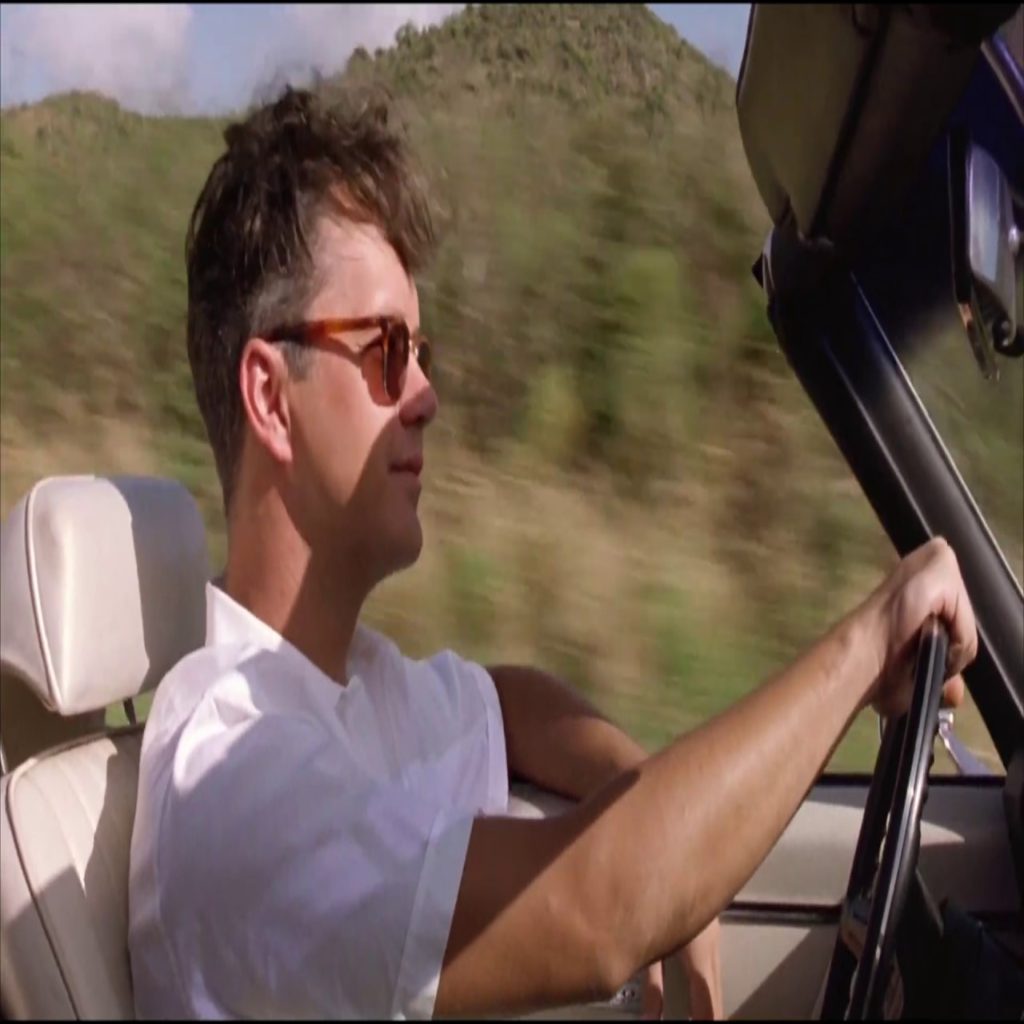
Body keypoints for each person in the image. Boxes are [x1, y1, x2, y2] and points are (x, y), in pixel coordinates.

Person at [127, 86, 976, 1021]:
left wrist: (638, 797)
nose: (426, 395)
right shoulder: (235, 781)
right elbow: (594, 915)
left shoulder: (355, 687)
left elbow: (510, 706)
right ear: (269, 397)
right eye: (387, 350)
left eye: (422, 353)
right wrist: (866, 644)